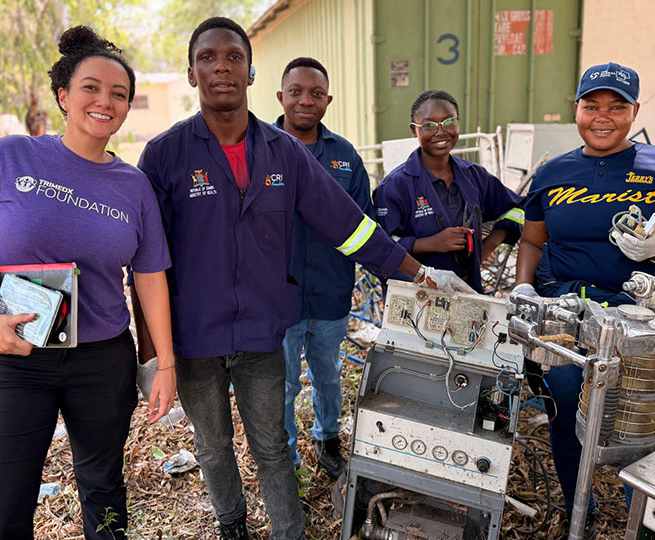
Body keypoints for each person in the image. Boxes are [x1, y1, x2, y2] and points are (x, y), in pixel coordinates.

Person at [131, 17, 470, 540]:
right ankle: (232, 526)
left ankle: (288, 531)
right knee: (213, 446)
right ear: (193, 74)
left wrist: (421, 272)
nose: (221, 67)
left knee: (271, 445)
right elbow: (145, 261)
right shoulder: (166, 154)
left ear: (249, 73)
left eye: (233, 58)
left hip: (265, 333)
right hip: (195, 336)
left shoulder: (283, 152)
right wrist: (152, 355)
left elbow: (349, 226)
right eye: (208, 58)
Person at [0, 26, 177, 540]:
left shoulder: (133, 186)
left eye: (119, 94)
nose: (104, 101)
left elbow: (150, 276)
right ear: (63, 95)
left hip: (102, 361)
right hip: (15, 357)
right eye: (91, 87)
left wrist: (163, 363)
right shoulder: (11, 157)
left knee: (105, 493)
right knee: (3, 513)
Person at [514, 62, 655, 537]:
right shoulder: (555, 172)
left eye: (616, 106)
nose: (602, 117)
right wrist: (524, 287)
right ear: (577, 110)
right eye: (592, 106)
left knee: (644, 433)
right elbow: (531, 241)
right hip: (568, 321)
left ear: (634, 112)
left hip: (644, 326)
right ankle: (575, 511)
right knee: (566, 420)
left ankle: (644, 523)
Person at [273, 57, 370, 478]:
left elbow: (365, 222)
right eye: (296, 92)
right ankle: (285, 457)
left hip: (331, 294)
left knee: (329, 377)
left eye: (315, 93)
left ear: (328, 100)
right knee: (284, 383)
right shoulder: (262, 148)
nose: (305, 101)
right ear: (280, 97)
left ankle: (328, 439)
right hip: (278, 299)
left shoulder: (345, 155)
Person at [373, 90, 524, 293]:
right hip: (415, 300)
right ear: (413, 130)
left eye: (449, 122)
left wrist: (490, 243)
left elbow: (520, 207)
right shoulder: (394, 187)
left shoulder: (475, 177)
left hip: (468, 294)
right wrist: (430, 243)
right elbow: (381, 246)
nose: (441, 132)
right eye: (428, 125)